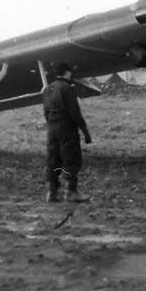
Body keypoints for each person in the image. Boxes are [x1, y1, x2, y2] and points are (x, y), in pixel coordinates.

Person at [42, 62, 93, 202]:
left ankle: (52, 193)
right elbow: (75, 113)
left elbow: (46, 113)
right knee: (70, 158)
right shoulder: (67, 89)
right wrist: (85, 131)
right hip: (67, 129)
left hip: (52, 129)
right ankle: (71, 191)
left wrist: (52, 124)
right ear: (67, 72)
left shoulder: (48, 89)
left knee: (53, 159)